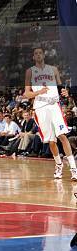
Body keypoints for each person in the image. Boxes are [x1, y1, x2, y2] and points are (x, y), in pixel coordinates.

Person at [24, 46, 77, 180]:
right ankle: (59, 165)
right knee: (51, 141)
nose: (38, 55)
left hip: (54, 105)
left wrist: (65, 93)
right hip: (41, 108)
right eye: (36, 53)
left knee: (62, 136)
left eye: (40, 53)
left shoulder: (53, 69)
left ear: (44, 55)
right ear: (33, 57)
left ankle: (73, 168)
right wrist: (38, 92)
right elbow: (26, 94)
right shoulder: (30, 72)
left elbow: (60, 88)